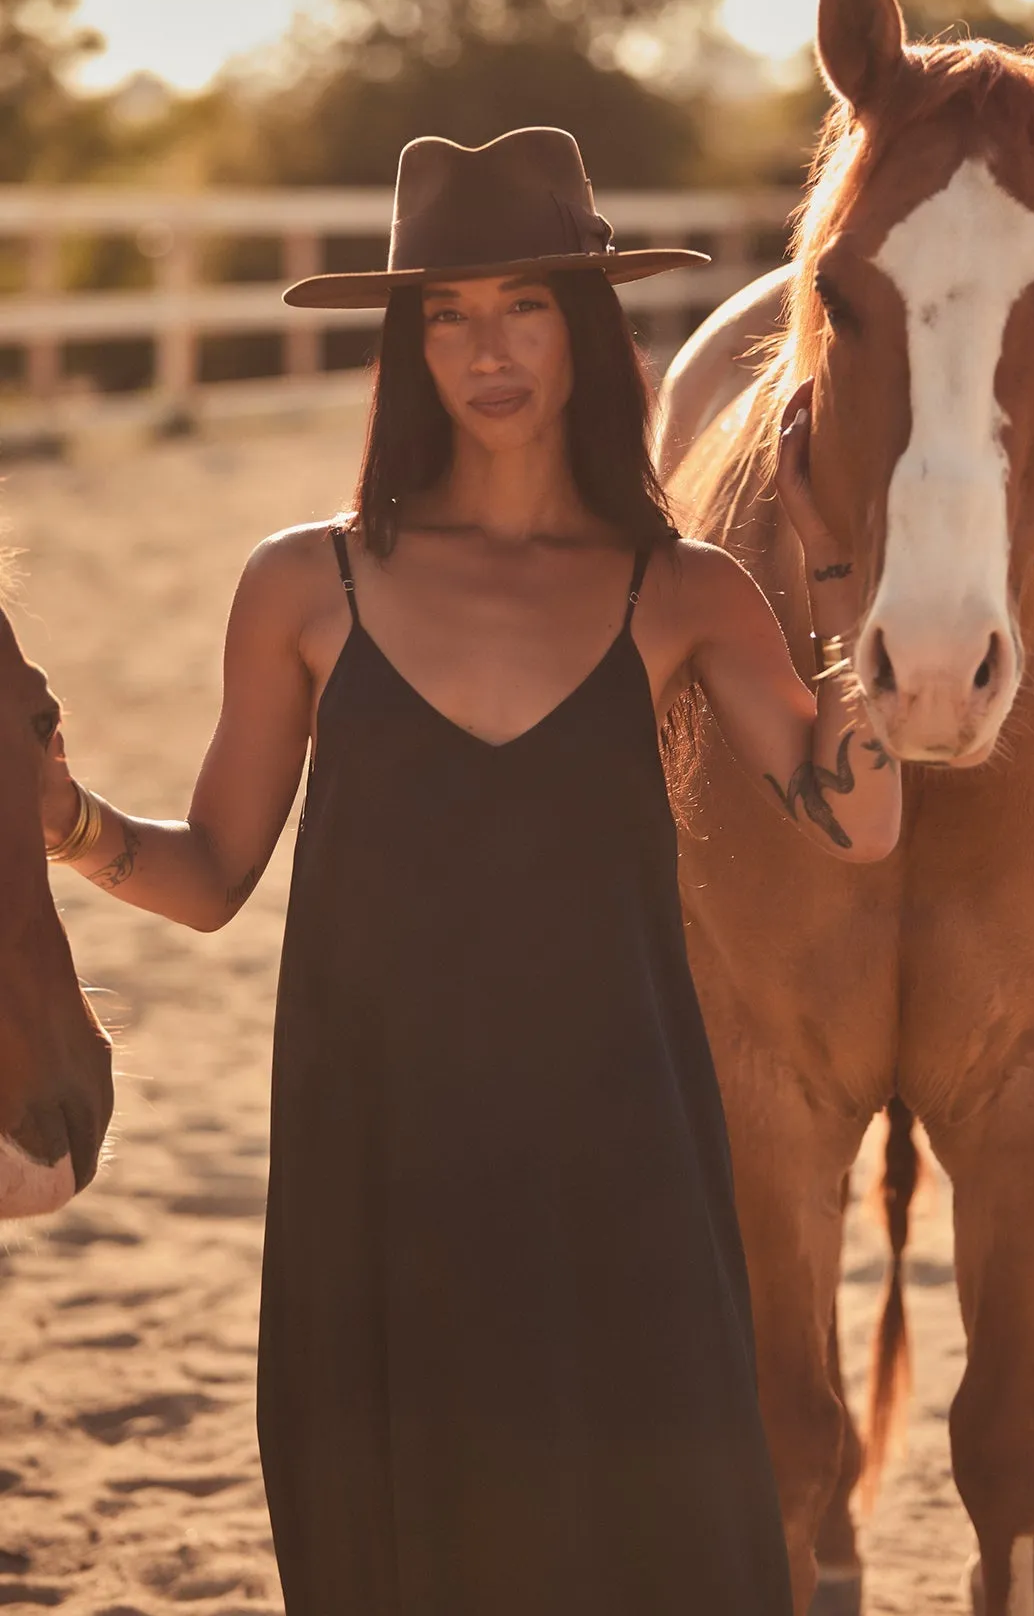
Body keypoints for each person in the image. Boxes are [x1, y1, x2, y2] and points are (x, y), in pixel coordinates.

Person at [40, 128, 902, 1616]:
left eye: (524, 308)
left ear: (583, 331)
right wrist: (66, 826)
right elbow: (211, 874)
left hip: (617, 1164)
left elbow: (859, 822)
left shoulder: (685, 590)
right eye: (446, 313)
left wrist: (856, 643)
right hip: (378, 1169)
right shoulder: (304, 583)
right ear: (406, 341)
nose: (485, 349)